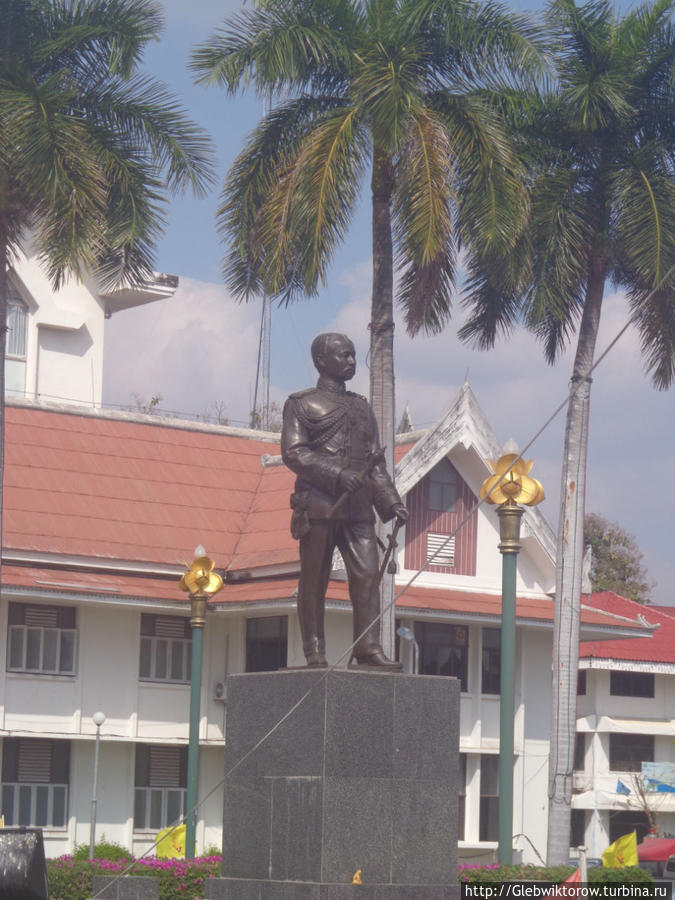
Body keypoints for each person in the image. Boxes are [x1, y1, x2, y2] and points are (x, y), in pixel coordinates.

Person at [281, 333, 408, 668]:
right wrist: (337, 474)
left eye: (353, 356)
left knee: (367, 575)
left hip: (359, 509)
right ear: (321, 361)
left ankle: (367, 647)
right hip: (320, 506)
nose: (352, 362)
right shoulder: (301, 404)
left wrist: (391, 502)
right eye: (344, 356)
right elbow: (294, 453)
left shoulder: (362, 407)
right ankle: (315, 651)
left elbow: (374, 461)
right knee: (314, 581)